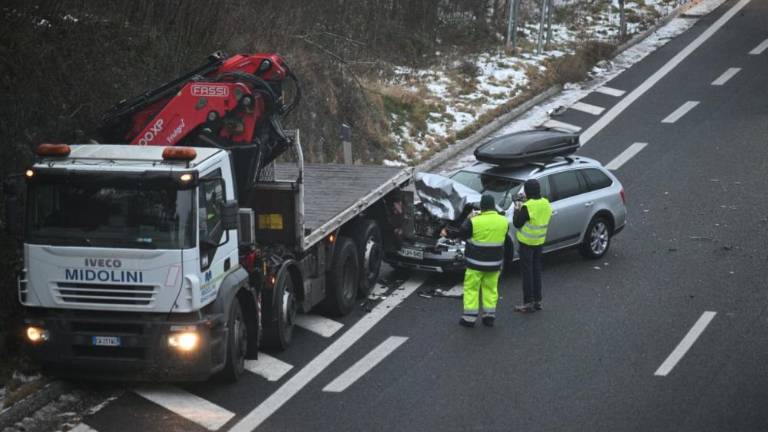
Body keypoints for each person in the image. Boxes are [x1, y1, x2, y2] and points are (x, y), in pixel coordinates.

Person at [441, 194, 509, 327]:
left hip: (475, 264)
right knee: (490, 289)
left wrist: (468, 218)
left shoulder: (474, 221)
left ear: (482, 207)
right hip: (494, 264)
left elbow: (462, 233)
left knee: (471, 289)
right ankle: (489, 316)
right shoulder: (503, 221)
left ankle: (469, 318)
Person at [512, 179, 552, 313]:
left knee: (527, 273)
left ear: (527, 191)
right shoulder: (546, 203)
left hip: (526, 244)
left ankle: (528, 302)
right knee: (536, 271)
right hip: (539, 242)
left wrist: (517, 207)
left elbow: (517, 223)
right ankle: (538, 301)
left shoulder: (528, 206)